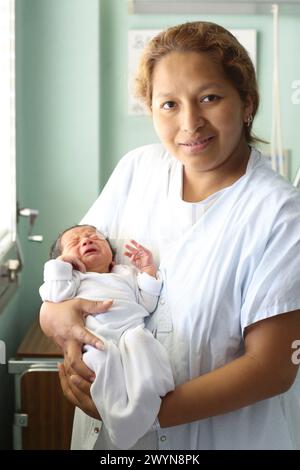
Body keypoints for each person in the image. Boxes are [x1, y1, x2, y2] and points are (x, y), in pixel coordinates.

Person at [40, 21, 300, 450]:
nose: (190, 123)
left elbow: (272, 368)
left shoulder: (279, 213)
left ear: (247, 102)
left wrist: (137, 412)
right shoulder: (136, 170)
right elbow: (74, 272)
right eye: (169, 104)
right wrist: (56, 320)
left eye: (210, 98)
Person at [39, 224, 174, 449]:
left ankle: (150, 393)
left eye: (94, 237)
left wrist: (148, 270)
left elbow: (148, 302)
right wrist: (62, 265)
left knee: (142, 344)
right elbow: (54, 294)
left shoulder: (125, 273)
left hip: (130, 331)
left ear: (112, 254)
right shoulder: (73, 281)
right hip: (96, 340)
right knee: (100, 363)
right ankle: (120, 418)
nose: (86, 241)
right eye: (75, 242)